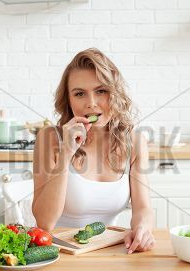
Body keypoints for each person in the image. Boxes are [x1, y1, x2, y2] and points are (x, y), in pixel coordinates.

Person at [32, 48, 155, 253]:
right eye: (79, 94)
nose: (91, 103)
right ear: (69, 101)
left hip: (107, 249)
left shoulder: (134, 141)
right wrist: (66, 154)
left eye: (101, 91)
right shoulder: (49, 138)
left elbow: (143, 208)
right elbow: (44, 223)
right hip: (58, 252)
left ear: (114, 94)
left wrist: (142, 228)